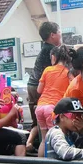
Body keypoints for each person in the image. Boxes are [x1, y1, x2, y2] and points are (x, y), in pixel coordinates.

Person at [26, 22, 62, 152]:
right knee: (48, 127)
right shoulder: (51, 50)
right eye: (59, 33)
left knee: (37, 121)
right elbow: (65, 52)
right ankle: (43, 146)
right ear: (52, 35)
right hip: (38, 88)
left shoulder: (46, 48)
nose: (60, 35)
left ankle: (30, 143)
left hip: (32, 85)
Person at [36, 45, 74, 157]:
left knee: (44, 139)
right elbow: (73, 90)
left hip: (40, 107)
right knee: (54, 139)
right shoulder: (68, 73)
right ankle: (51, 163)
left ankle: (40, 163)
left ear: (53, 57)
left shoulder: (47, 70)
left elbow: (39, 90)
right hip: (52, 109)